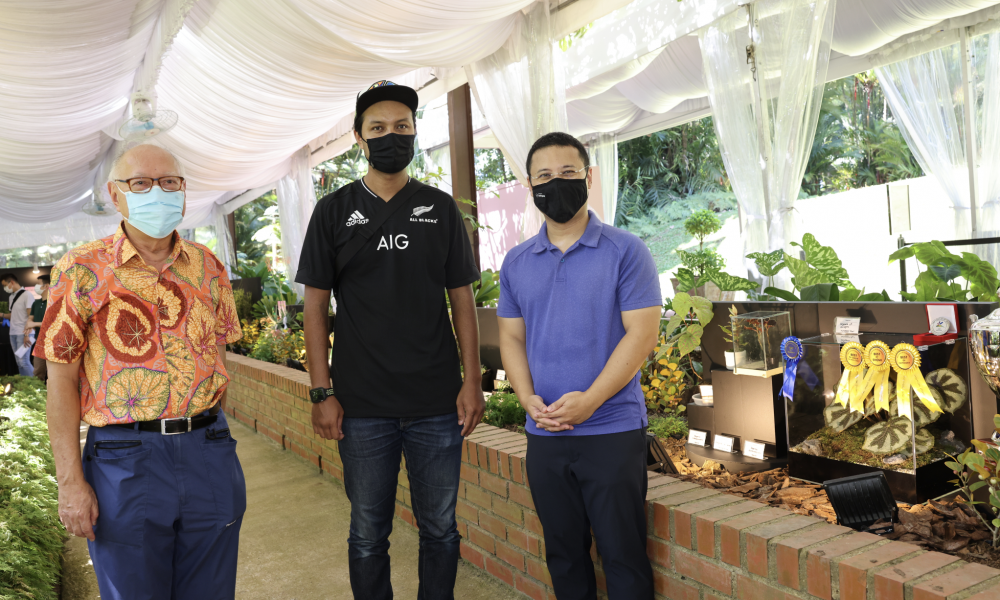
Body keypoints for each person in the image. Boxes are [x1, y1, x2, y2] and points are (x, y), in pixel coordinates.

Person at [296, 80, 484, 599]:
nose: (391, 136)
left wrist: (472, 381)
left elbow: (462, 300)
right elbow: (315, 308)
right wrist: (321, 391)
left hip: (436, 403)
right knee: (367, 533)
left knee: (440, 529)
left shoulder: (439, 208)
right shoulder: (333, 211)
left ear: (415, 132)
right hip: (361, 406)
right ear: (359, 138)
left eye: (402, 126)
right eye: (377, 128)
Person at [33, 144, 245, 600]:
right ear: (116, 195)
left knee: (211, 590)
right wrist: (70, 483)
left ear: (183, 192)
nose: (157, 192)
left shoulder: (208, 266)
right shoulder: (81, 269)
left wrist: (214, 431)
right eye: (141, 183)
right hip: (124, 458)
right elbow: (61, 381)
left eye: (169, 182)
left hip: (208, 450)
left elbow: (218, 356)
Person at [497, 132, 662, 599]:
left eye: (568, 172)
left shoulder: (626, 251)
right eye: (544, 175)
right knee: (564, 555)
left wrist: (590, 401)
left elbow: (642, 335)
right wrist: (526, 398)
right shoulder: (516, 262)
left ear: (588, 177)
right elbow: (511, 337)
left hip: (611, 430)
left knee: (623, 556)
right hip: (545, 433)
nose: (557, 182)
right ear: (530, 186)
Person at [1, 272, 35, 376]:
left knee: (24, 362)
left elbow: (31, 316)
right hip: (13, 333)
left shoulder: (27, 295)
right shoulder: (11, 297)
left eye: (5, 285)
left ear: (11, 282)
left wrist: (27, 334)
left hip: (24, 333)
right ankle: (25, 384)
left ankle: (35, 384)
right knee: (19, 363)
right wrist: (2, 314)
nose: (4, 288)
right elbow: (13, 315)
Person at [24, 274, 50, 381]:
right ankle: (39, 390)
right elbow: (30, 319)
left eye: (38, 284)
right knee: (38, 371)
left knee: (53, 373)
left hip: (53, 342)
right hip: (39, 342)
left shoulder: (54, 302)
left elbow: (53, 323)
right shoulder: (36, 303)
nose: (36, 286)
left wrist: (34, 324)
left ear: (46, 286)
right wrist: (27, 330)